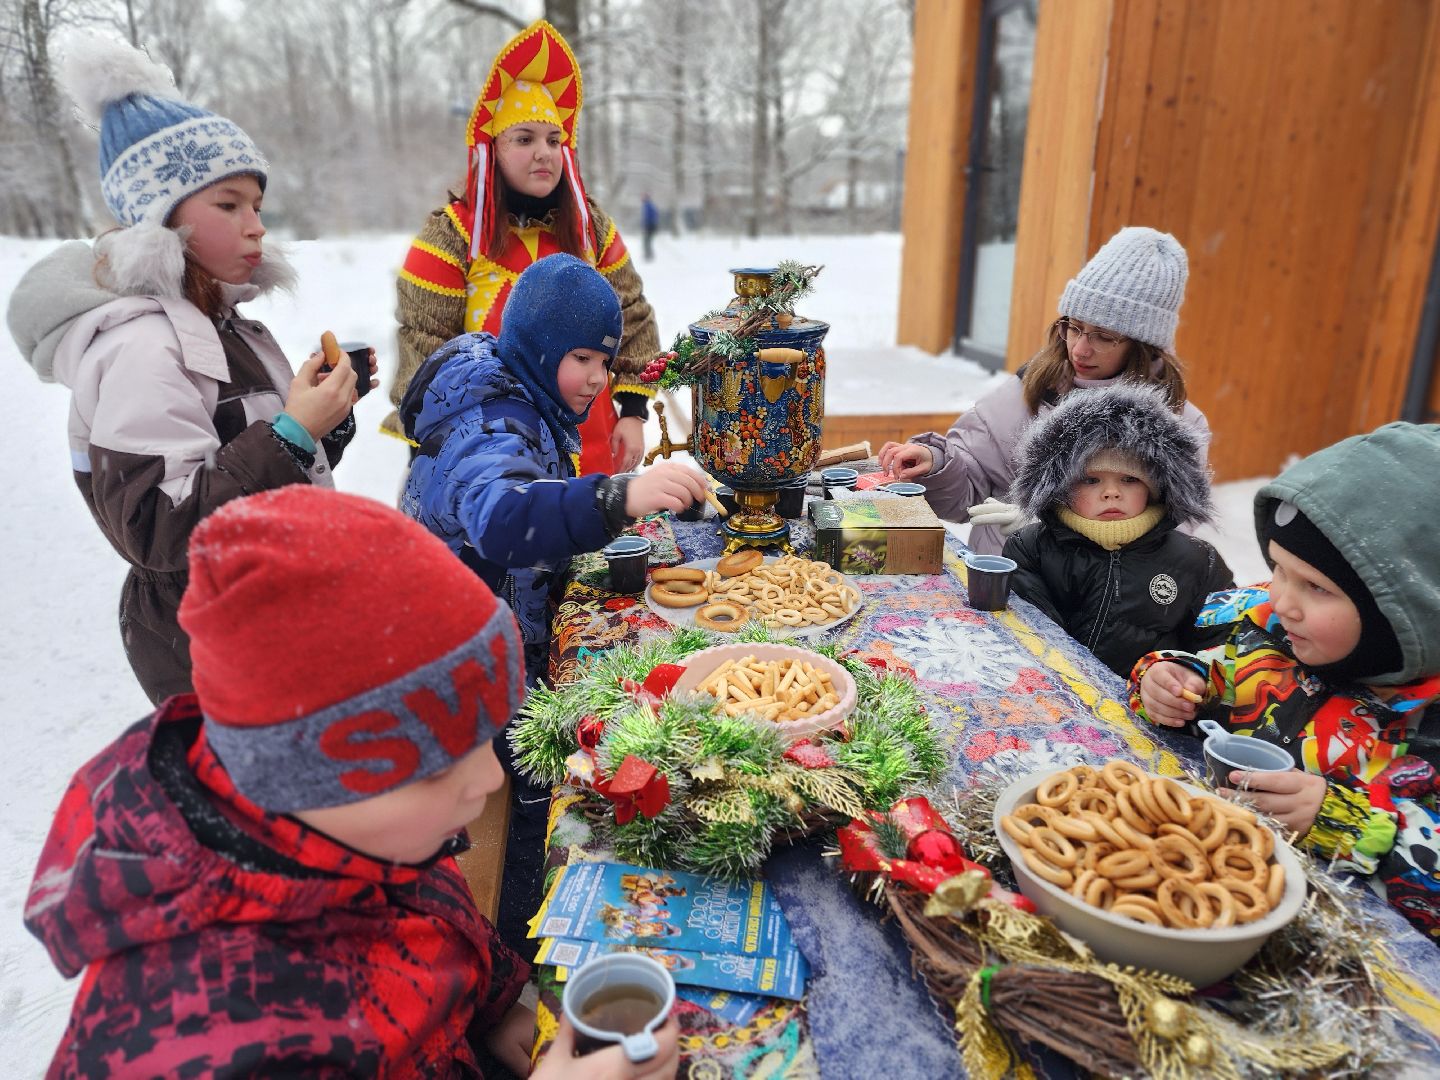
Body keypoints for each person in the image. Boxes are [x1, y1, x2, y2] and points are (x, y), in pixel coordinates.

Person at [24, 486, 681, 1077]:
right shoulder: (200, 1045)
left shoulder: (361, 837)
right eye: (435, 765)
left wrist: (495, 1005)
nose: (487, 778)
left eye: (483, 739)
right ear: (314, 777)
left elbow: (431, 918)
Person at [6, 33, 366, 705]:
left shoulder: (230, 327)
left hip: (264, 610)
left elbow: (255, 475)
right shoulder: (141, 348)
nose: (256, 226)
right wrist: (290, 433)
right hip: (206, 639)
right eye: (228, 205)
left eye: (256, 205)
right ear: (157, 221)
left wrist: (322, 421)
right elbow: (161, 527)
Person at [400, 252, 708, 960]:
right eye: (581, 359)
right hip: (462, 660)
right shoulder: (487, 420)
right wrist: (615, 495)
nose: (599, 380)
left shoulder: (517, 386)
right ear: (538, 346)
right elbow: (504, 518)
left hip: (502, 633)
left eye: (605, 361)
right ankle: (508, 943)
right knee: (515, 799)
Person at [1132, 423, 1440, 943]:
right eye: (1278, 568)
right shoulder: (1274, 632)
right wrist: (1169, 676)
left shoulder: (1426, 725)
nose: (1281, 600)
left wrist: (1341, 820)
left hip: (1338, 952)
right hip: (1199, 891)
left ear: (1407, 613)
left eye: (1317, 587)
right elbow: (1216, 669)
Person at [386, 19, 659, 477]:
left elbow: (632, 318)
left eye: (554, 140)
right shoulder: (451, 235)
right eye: (524, 139)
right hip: (491, 458)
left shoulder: (592, 229)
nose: (544, 153)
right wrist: (438, 455)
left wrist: (632, 411)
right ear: (493, 149)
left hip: (592, 457)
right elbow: (425, 353)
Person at [877, 226, 1210, 554]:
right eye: (1073, 328)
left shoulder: (1179, 426)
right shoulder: (1031, 391)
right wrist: (936, 464)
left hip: (1108, 606)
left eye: (1104, 336)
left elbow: (1169, 543)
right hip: (1006, 589)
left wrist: (1048, 529)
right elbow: (969, 490)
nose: (1080, 348)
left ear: (1144, 346)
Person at [1003, 384, 1234, 677]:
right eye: (1091, 480)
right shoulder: (1032, 548)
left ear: (1156, 487)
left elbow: (1224, 647)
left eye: (1129, 479)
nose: (1111, 493)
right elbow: (1030, 637)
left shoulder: (1198, 562)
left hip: (1148, 713)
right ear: (1061, 488)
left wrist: (1187, 679)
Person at [641, 193, 660, 260]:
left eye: (643, 197)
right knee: (647, 241)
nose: (642, 199)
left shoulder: (648, 205)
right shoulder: (648, 205)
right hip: (650, 225)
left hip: (650, 226)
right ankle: (649, 254)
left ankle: (648, 255)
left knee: (647, 240)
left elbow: (650, 217)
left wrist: (649, 225)